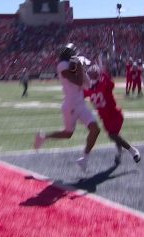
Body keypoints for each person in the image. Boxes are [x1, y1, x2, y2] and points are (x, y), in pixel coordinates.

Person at [34, 43, 100, 172]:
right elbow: (77, 81)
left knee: (95, 130)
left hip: (80, 104)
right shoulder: (62, 65)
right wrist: (80, 68)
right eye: (73, 52)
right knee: (68, 134)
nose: (75, 54)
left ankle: (84, 159)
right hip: (70, 106)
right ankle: (43, 137)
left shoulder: (73, 64)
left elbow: (87, 85)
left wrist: (87, 73)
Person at [84, 64, 140, 165]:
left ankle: (133, 151)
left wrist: (104, 73)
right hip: (105, 118)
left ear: (97, 75)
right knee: (115, 136)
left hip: (115, 115)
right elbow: (79, 95)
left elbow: (111, 84)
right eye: (89, 74)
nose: (89, 76)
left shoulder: (104, 84)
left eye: (92, 74)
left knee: (113, 135)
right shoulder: (89, 89)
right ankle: (119, 153)